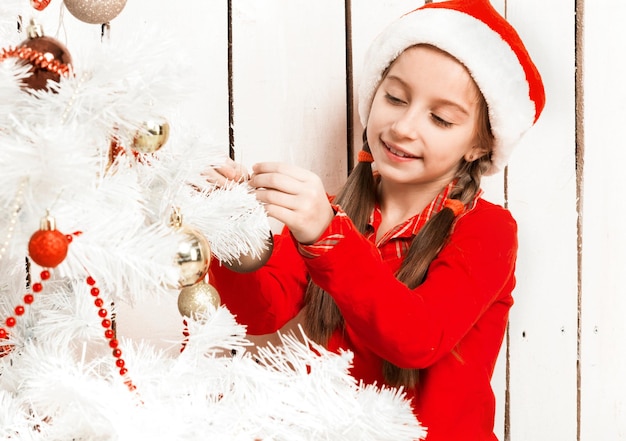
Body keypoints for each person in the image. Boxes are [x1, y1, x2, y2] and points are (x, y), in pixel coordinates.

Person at [208, 0, 545, 439]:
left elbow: (417, 338)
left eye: (440, 119)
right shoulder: (331, 213)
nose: (404, 126)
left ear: (478, 146)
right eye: (395, 98)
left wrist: (327, 236)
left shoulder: (487, 231)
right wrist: (242, 242)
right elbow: (260, 318)